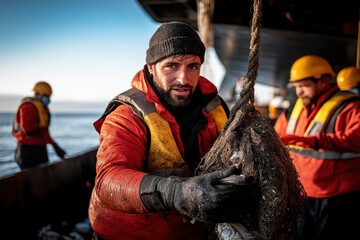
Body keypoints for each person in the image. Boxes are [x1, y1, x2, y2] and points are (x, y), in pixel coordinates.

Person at [89, 21, 256, 240]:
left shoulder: (216, 108)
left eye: (192, 67)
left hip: (192, 232)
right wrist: (176, 192)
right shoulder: (126, 117)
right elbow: (108, 180)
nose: (183, 79)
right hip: (127, 234)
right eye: (172, 66)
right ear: (151, 67)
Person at [273, 55, 360, 240]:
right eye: (296, 86)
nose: (299, 92)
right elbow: (275, 139)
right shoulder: (292, 112)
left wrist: (310, 141)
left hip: (338, 200)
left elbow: (356, 139)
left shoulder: (351, 108)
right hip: (301, 196)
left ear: (324, 81)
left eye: (304, 86)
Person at [12, 81, 67, 169]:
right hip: (27, 150)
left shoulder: (42, 109)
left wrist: (55, 146)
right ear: (37, 93)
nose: (48, 99)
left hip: (40, 149)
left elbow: (44, 133)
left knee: (43, 177)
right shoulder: (27, 107)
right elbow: (28, 131)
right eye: (46, 96)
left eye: (49, 96)